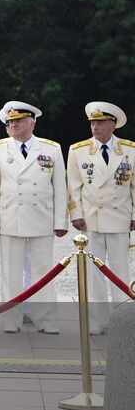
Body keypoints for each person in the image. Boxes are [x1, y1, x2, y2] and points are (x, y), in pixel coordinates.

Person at [0, 101, 67, 334]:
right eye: (10, 122)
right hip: (11, 218)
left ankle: (46, 320)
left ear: (32, 122)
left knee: (44, 273)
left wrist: (60, 221)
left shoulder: (51, 148)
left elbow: (60, 187)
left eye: (18, 121)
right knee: (10, 274)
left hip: (41, 217)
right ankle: (11, 320)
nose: (13, 125)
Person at [67, 101, 134, 334]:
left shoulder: (130, 150)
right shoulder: (78, 150)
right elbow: (73, 187)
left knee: (120, 272)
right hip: (90, 219)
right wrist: (75, 214)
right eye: (92, 122)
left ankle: (122, 321)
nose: (95, 126)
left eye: (100, 122)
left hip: (119, 218)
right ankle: (96, 322)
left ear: (112, 124)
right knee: (93, 274)